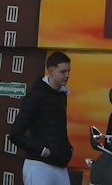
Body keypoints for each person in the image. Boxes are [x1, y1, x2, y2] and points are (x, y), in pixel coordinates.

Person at [7, 51, 73, 185]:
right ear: (51, 71)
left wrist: (67, 148)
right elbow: (14, 134)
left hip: (59, 165)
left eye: (68, 71)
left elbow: (57, 129)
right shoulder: (36, 96)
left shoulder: (61, 95)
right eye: (63, 71)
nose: (67, 75)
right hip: (39, 167)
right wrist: (42, 150)